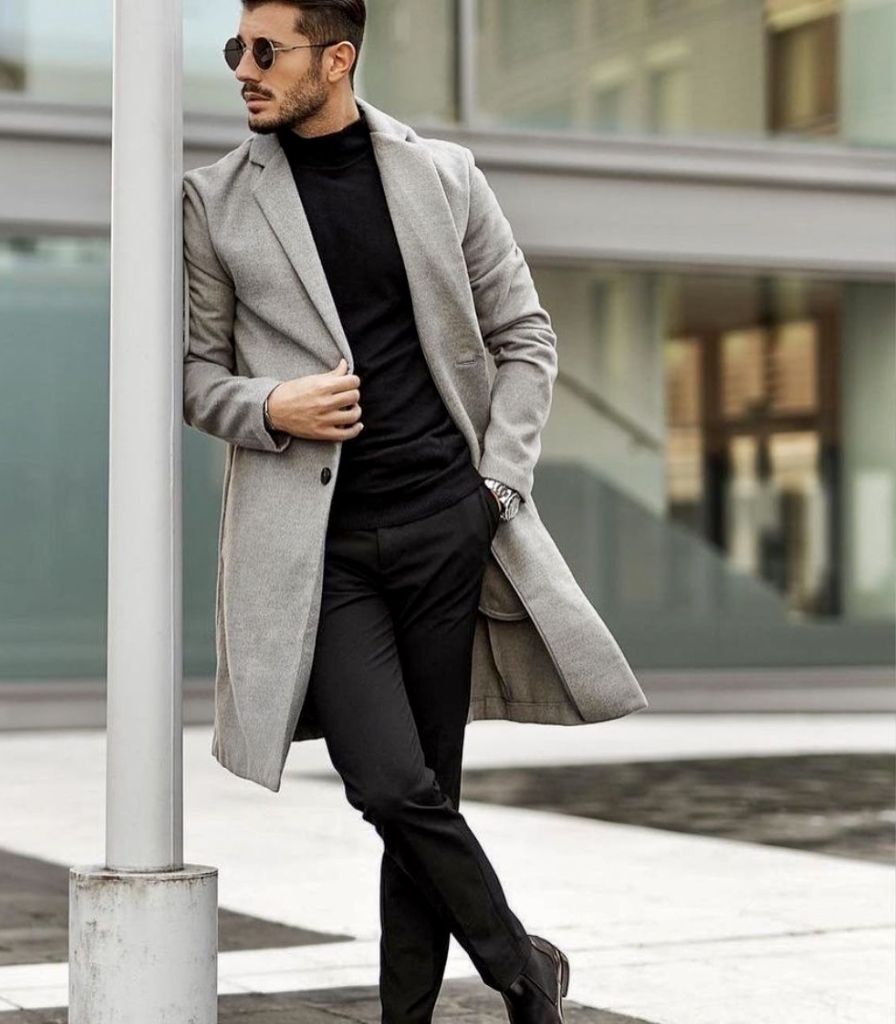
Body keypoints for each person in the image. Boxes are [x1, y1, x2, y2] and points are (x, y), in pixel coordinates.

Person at [183, 2, 648, 1021]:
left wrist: (496, 486)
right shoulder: (215, 199)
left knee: (422, 796)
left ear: (336, 57)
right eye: (235, 51)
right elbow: (190, 374)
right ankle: (522, 963)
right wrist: (268, 404)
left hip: (448, 525)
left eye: (266, 51)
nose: (243, 71)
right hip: (324, 547)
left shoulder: (443, 174)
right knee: (390, 784)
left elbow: (525, 338)